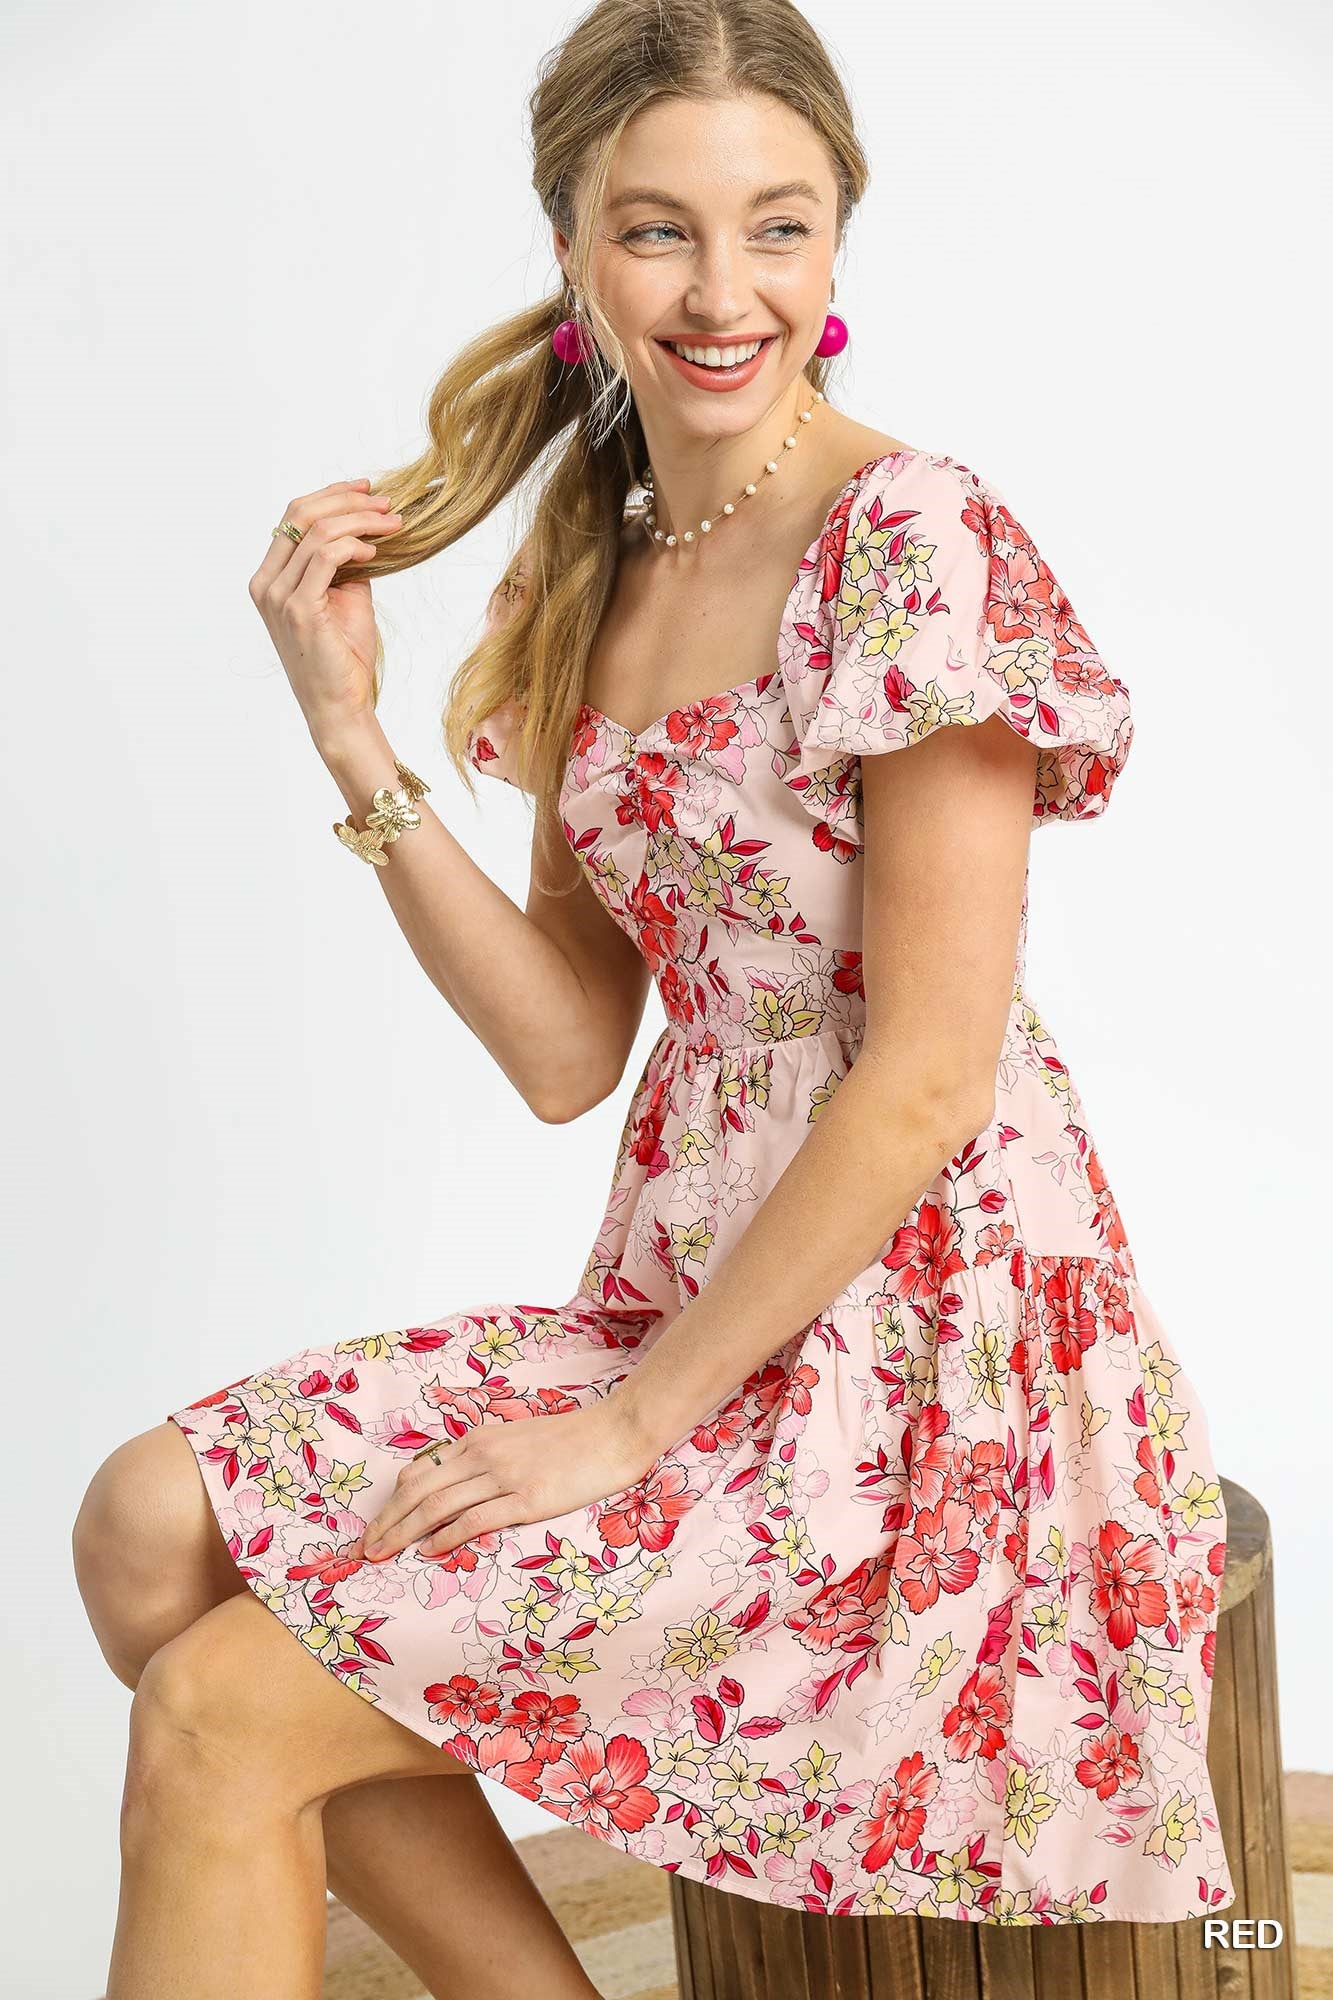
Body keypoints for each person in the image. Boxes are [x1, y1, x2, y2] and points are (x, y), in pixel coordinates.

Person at [72, 1, 1234, 1990]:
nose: (722, 292)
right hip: (684, 1306)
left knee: (217, 1717)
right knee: (147, 1528)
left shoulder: (906, 538)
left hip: (922, 1360)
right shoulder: (602, 560)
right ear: (569, 248)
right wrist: (356, 742)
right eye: (659, 231)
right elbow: (562, 1047)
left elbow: (930, 1074)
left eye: (777, 228)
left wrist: (624, 1428)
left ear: (840, 244)